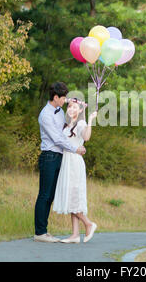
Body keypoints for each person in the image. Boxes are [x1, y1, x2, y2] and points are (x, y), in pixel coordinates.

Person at [34, 82, 86, 243]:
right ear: (55, 97)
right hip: (49, 156)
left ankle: (44, 231)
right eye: (63, 98)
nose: (65, 101)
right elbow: (57, 138)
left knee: (50, 196)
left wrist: (79, 106)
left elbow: (67, 129)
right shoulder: (46, 115)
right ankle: (40, 233)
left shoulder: (60, 111)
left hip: (59, 157)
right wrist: (75, 149)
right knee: (44, 195)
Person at [52, 98, 98, 243]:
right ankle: (75, 235)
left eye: (75, 107)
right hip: (67, 161)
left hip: (74, 162)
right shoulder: (67, 125)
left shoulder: (81, 123)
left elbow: (86, 137)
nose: (71, 109)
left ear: (80, 110)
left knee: (74, 196)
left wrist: (90, 119)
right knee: (71, 195)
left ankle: (88, 223)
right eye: (70, 106)